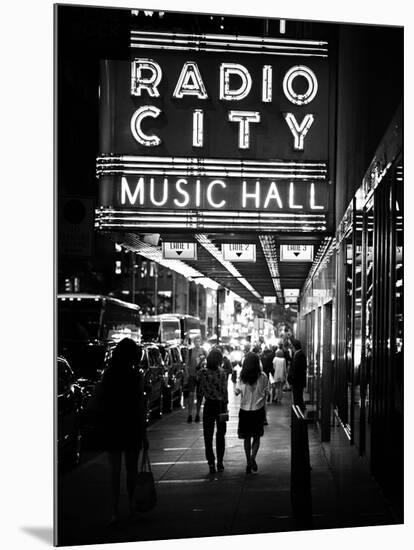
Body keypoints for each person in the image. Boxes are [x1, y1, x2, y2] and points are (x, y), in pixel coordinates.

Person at [100, 338, 147, 523]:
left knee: (114, 471)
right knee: (131, 470)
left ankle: (114, 511)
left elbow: (103, 399)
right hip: (131, 426)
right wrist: (144, 434)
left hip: (113, 426)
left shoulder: (109, 374)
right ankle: (131, 507)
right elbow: (140, 406)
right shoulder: (136, 376)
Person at [235, 352, 269, 474]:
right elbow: (267, 392)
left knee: (246, 438)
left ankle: (248, 461)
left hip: (244, 411)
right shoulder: (263, 376)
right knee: (256, 436)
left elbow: (236, 392)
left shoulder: (242, 377)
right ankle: (252, 459)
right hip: (258, 411)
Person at [199, 348, 228, 473]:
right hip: (220, 405)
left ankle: (211, 462)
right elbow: (224, 391)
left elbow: (199, 390)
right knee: (220, 435)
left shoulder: (203, 373)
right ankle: (220, 462)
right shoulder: (222, 373)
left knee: (208, 435)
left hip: (208, 405)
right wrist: (226, 406)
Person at [185, 336, 206, 423]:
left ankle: (197, 414)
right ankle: (189, 414)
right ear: (194, 342)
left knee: (199, 396)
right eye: (196, 341)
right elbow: (186, 364)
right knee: (191, 395)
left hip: (200, 377)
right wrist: (188, 375)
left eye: (199, 341)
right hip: (192, 376)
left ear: (200, 342)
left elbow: (207, 363)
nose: (197, 343)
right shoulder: (190, 352)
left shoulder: (204, 351)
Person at [287, 338, 307, 412]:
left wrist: (292, 380)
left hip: (298, 382)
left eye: (292, 346)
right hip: (296, 382)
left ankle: (300, 417)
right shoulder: (297, 354)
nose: (291, 348)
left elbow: (297, 370)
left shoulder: (300, 355)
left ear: (295, 346)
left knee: (298, 399)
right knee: (297, 399)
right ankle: (298, 417)